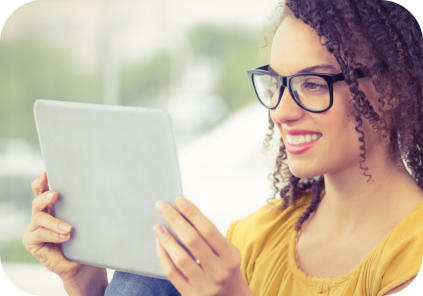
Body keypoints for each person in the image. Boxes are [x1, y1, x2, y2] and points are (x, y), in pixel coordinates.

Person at [22, 0, 423, 295]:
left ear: (391, 91)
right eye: (277, 83)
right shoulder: (255, 236)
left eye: (312, 84)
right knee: (145, 276)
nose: (281, 113)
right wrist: (86, 282)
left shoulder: (412, 253)